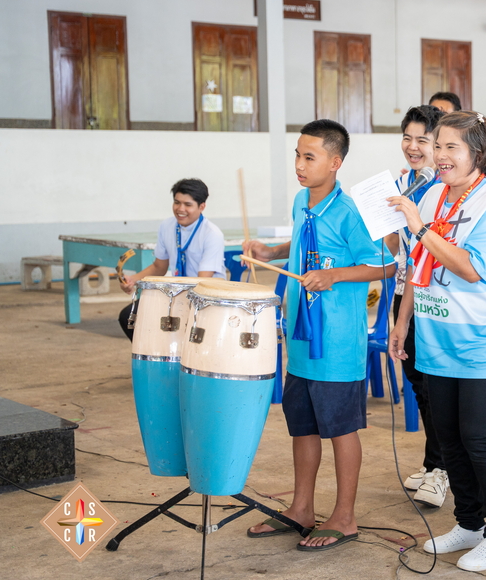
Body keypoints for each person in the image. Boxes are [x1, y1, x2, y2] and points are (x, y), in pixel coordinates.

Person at [243, 120, 394, 551]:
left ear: (335, 162)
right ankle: (301, 508)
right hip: (301, 338)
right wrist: (271, 251)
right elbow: (301, 243)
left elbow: (384, 265)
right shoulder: (301, 201)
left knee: (341, 429)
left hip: (338, 342)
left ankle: (345, 516)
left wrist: (334, 275)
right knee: (303, 428)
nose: (299, 164)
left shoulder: (350, 212)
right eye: (297, 154)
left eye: (309, 157)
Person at [386, 111, 486, 572]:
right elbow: (417, 267)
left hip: (482, 339)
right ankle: (469, 523)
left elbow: (471, 268)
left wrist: (420, 227)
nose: (439, 156)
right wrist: (402, 320)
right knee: (448, 439)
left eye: (450, 148)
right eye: (437, 145)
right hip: (435, 335)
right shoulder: (434, 196)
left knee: (478, 438)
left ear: (478, 154)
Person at [384, 105, 448, 507]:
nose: (413, 146)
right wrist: (384, 223)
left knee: (436, 384)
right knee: (418, 383)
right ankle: (433, 461)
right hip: (403, 290)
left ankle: (443, 469)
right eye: (407, 138)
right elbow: (397, 246)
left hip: (435, 296)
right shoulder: (401, 183)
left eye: (422, 140)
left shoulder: (443, 187)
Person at [116, 178, 225, 341]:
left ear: (202, 206)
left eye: (188, 204)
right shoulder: (167, 226)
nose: (180, 209)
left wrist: (172, 294)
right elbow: (159, 266)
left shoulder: (212, 234)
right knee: (128, 317)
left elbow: (203, 281)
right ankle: (151, 355)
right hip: (178, 293)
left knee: (179, 326)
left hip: (206, 296)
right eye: (176, 202)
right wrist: (133, 280)